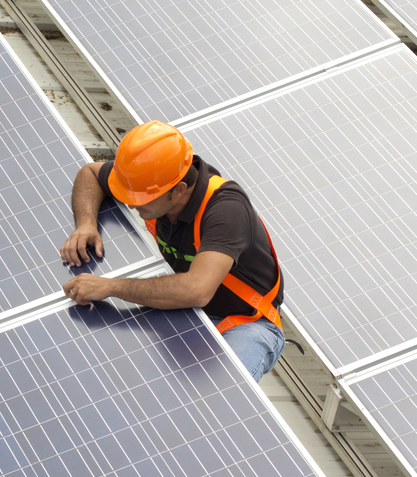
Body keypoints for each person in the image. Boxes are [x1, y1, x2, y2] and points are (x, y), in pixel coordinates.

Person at [60, 122, 285, 381]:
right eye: (129, 194)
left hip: (246, 323)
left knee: (224, 396)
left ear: (178, 190)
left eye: (141, 198)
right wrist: (86, 223)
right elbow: (90, 173)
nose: (132, 204)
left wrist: (110, 287)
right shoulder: (152, 179)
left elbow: (196, 290)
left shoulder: (226, 210)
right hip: (182, 310)